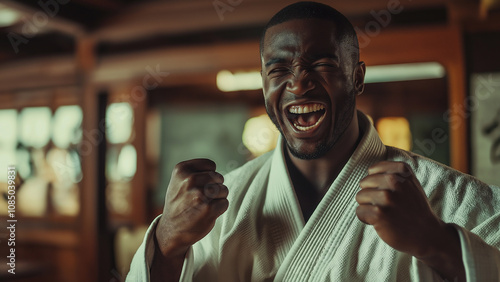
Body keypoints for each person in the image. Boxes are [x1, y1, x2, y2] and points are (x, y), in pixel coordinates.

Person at [127, 2, 500, 281]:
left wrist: (436, 242)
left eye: (321, 63)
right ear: (263, 84)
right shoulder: (227, 206)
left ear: (356, 77)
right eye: (278, 69)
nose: (298, 82)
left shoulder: (454, 199)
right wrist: (166, 242)